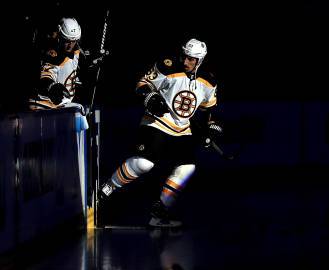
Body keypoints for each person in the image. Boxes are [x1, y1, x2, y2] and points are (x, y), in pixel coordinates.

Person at [98, 38, 221, 227]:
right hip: (157, 122)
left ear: (200, 61)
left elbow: (207, 110)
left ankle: (160, 212)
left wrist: (210, 128)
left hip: (182, 130)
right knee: (143, 163)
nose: (186, 62)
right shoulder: (168, 66)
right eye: (185, 57)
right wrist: (150, 96)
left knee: (188, 167)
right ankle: (106, 189)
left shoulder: (209, 81)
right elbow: (141, 83)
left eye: (191, 59)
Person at [28, 17, 105, 111]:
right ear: (60, 37)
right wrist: (53, 87)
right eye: (67, 41)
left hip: (70, 104)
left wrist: (93, 62)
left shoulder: (77, 50)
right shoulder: (53, 55)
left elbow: (83, 66)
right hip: (53, 105)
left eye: (74, 41)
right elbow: (45, 77)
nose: (70, 45)